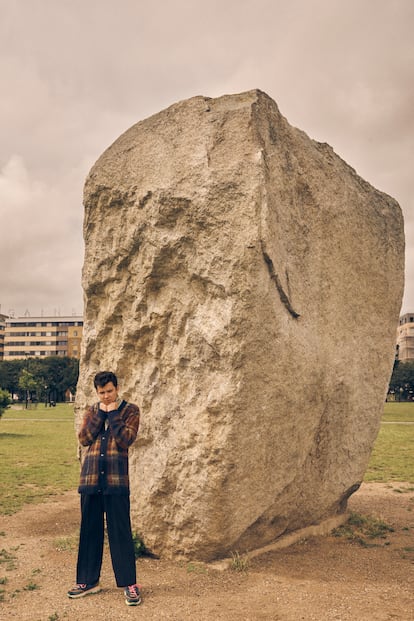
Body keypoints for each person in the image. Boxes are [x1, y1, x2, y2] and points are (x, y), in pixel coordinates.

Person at [67, 371, 141, 606]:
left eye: (110, 391)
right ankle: (88, 582)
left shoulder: (131, 410)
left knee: (121, 533)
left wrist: (114, 414)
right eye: (102, 393)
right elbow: (84, 438)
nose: (107, 396)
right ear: (96, 392)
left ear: (117, 388)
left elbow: (126, 439)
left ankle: (130, 584)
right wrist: (101, 412)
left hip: (116, 481)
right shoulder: (92, 410)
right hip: (90, 481)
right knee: (90, 531)